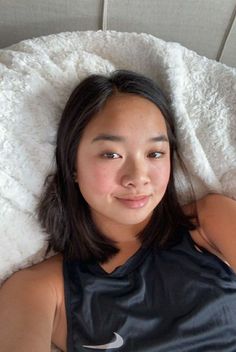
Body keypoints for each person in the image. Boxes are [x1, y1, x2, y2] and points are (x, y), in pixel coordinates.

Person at [0, 70, 235, 352]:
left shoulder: (210, 220)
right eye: (111, 154)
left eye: (154, 153)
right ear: (73, 164)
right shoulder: (38, 290)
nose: (137, 176)